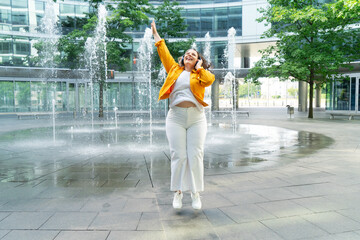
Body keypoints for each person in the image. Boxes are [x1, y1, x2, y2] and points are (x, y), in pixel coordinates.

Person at [151, 20, 215, 210]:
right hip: (176, 117)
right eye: (187, 53)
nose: (189, 55)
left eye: (193, 54)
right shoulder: (174, 69)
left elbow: (210, 80)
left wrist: (200, 68)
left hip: (196, 118)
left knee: (195, 154)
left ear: (197, 60)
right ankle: (178, 192)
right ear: (183, 58)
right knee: (178, 155)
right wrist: (155, 33)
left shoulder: (201, 75)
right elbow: (163, 51)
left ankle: (195, 194)